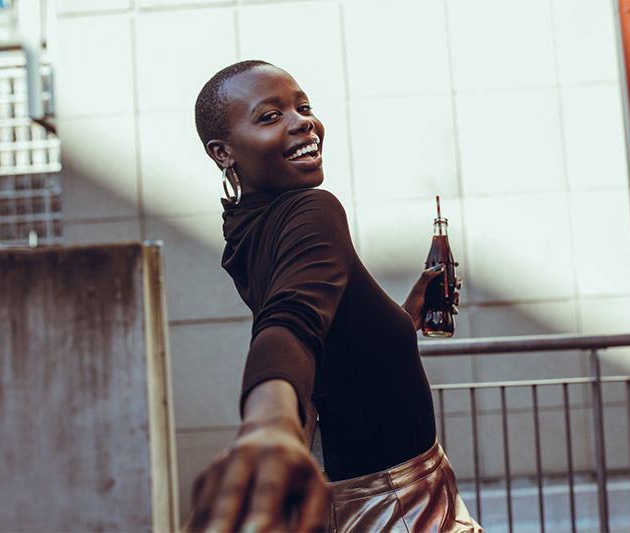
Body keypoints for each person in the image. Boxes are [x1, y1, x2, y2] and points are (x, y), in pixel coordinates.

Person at [186, 59, 482, 533]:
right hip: (399, 508)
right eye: (270, 116)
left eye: (302, 106)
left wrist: (401, 320)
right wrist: (268, 425)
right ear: (222, 152)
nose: (303, 121)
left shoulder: (244, 229)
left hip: (359, 499)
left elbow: (330, 344)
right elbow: (291, 322)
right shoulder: (312, 209)